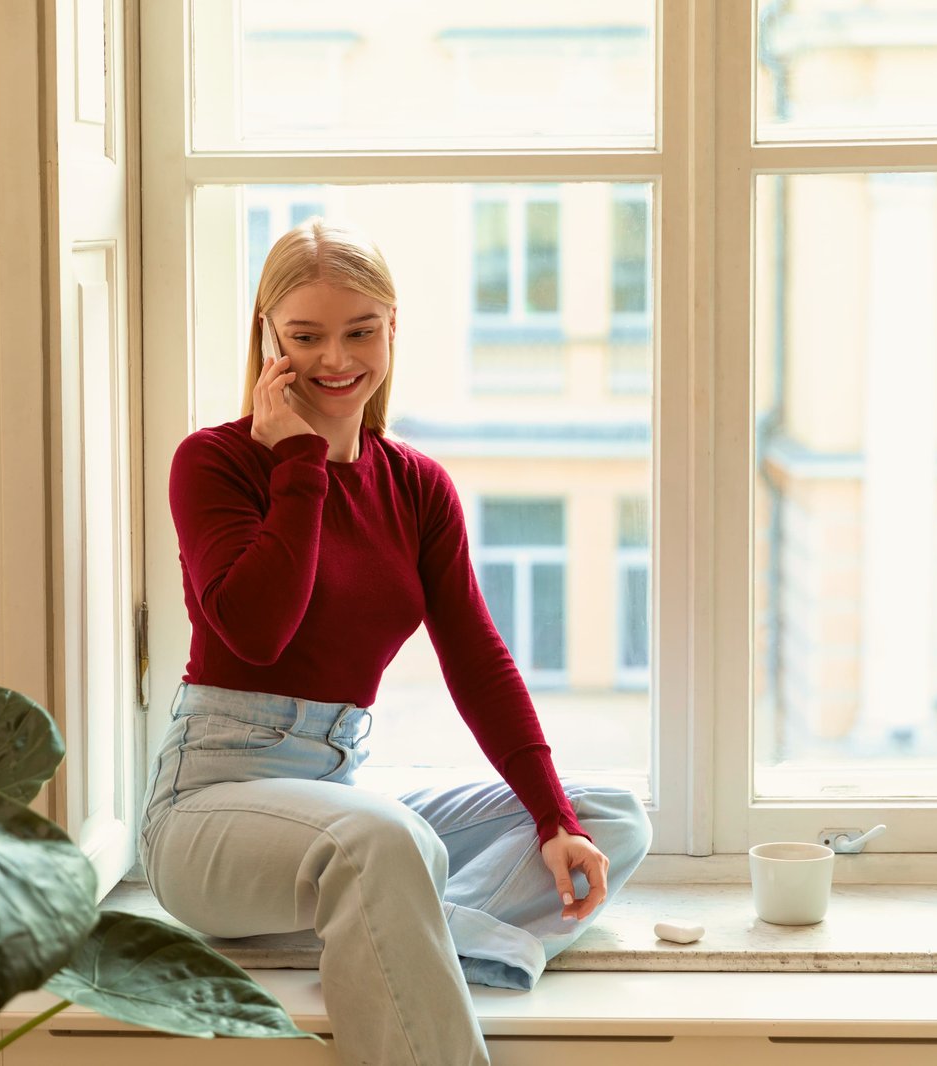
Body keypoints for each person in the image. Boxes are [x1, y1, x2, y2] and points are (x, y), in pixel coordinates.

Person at [139, 218, 651, 1065]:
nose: (335, 360)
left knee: (605, 819)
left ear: (392, 327)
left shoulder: (415, 485)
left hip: (336, 796)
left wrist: (552, 816)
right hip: (208, 816)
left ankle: (397, 936)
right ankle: (389, 926)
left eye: (360, 331)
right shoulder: (215, 463)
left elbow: (478, 661)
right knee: (385, 842)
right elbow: (258, 634)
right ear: (266, 335)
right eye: (305, 336)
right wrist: (301, 460)